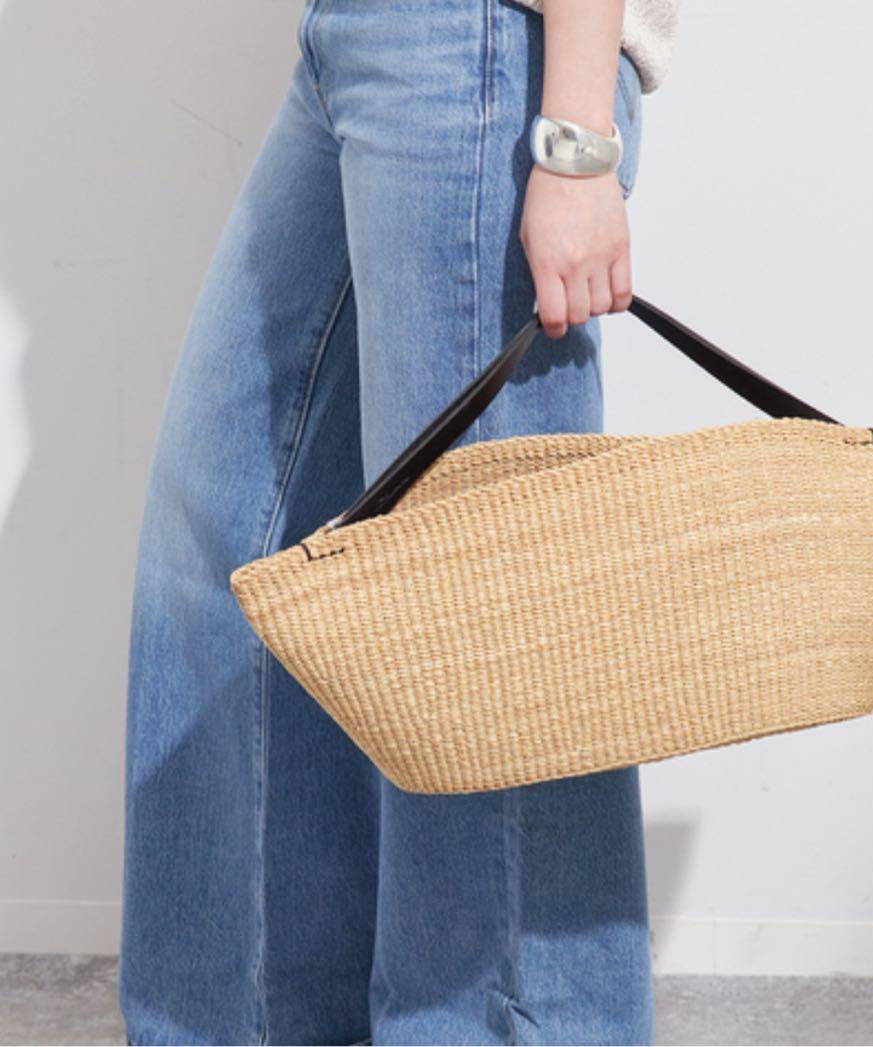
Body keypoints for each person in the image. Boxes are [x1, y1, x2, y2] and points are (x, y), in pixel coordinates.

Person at [118, 1, 677, 1043]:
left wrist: (574, 141)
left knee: (475, 628)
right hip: (360, 38)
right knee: (232, 542)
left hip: (478, 48)